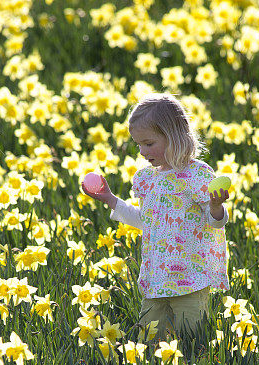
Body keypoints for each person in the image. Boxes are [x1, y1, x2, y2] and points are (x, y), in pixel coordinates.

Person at [82, 93, 230, 345]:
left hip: (190, 278)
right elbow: (146, 220)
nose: (142, 151)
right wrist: (109, 199)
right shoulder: (146, 179)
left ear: (174, 136)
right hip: (156, 278)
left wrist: (216, 206)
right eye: (137, 144)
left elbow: (215, 222)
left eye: (149, 143)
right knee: (147, 341)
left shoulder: (196, 174)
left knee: (193, 341)